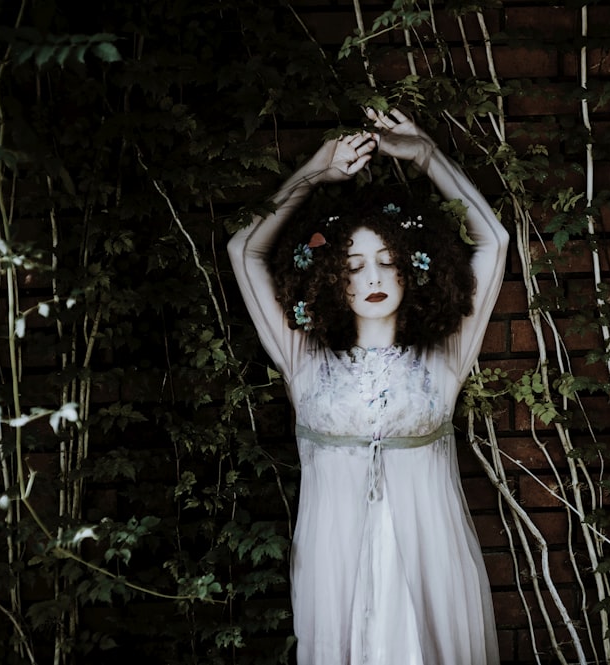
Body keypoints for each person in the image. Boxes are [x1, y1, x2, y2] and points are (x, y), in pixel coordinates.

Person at [227, 108, 508, 665]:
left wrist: (426, 153)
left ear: (411, 266)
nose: (373, 278)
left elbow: (494, 240)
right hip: (336, 581)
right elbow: (244, 251)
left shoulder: (443, 359)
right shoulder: (304, 359)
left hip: (432, 573)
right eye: (353, 265)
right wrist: (313, 173)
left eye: (386, 261)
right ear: (331, 276)